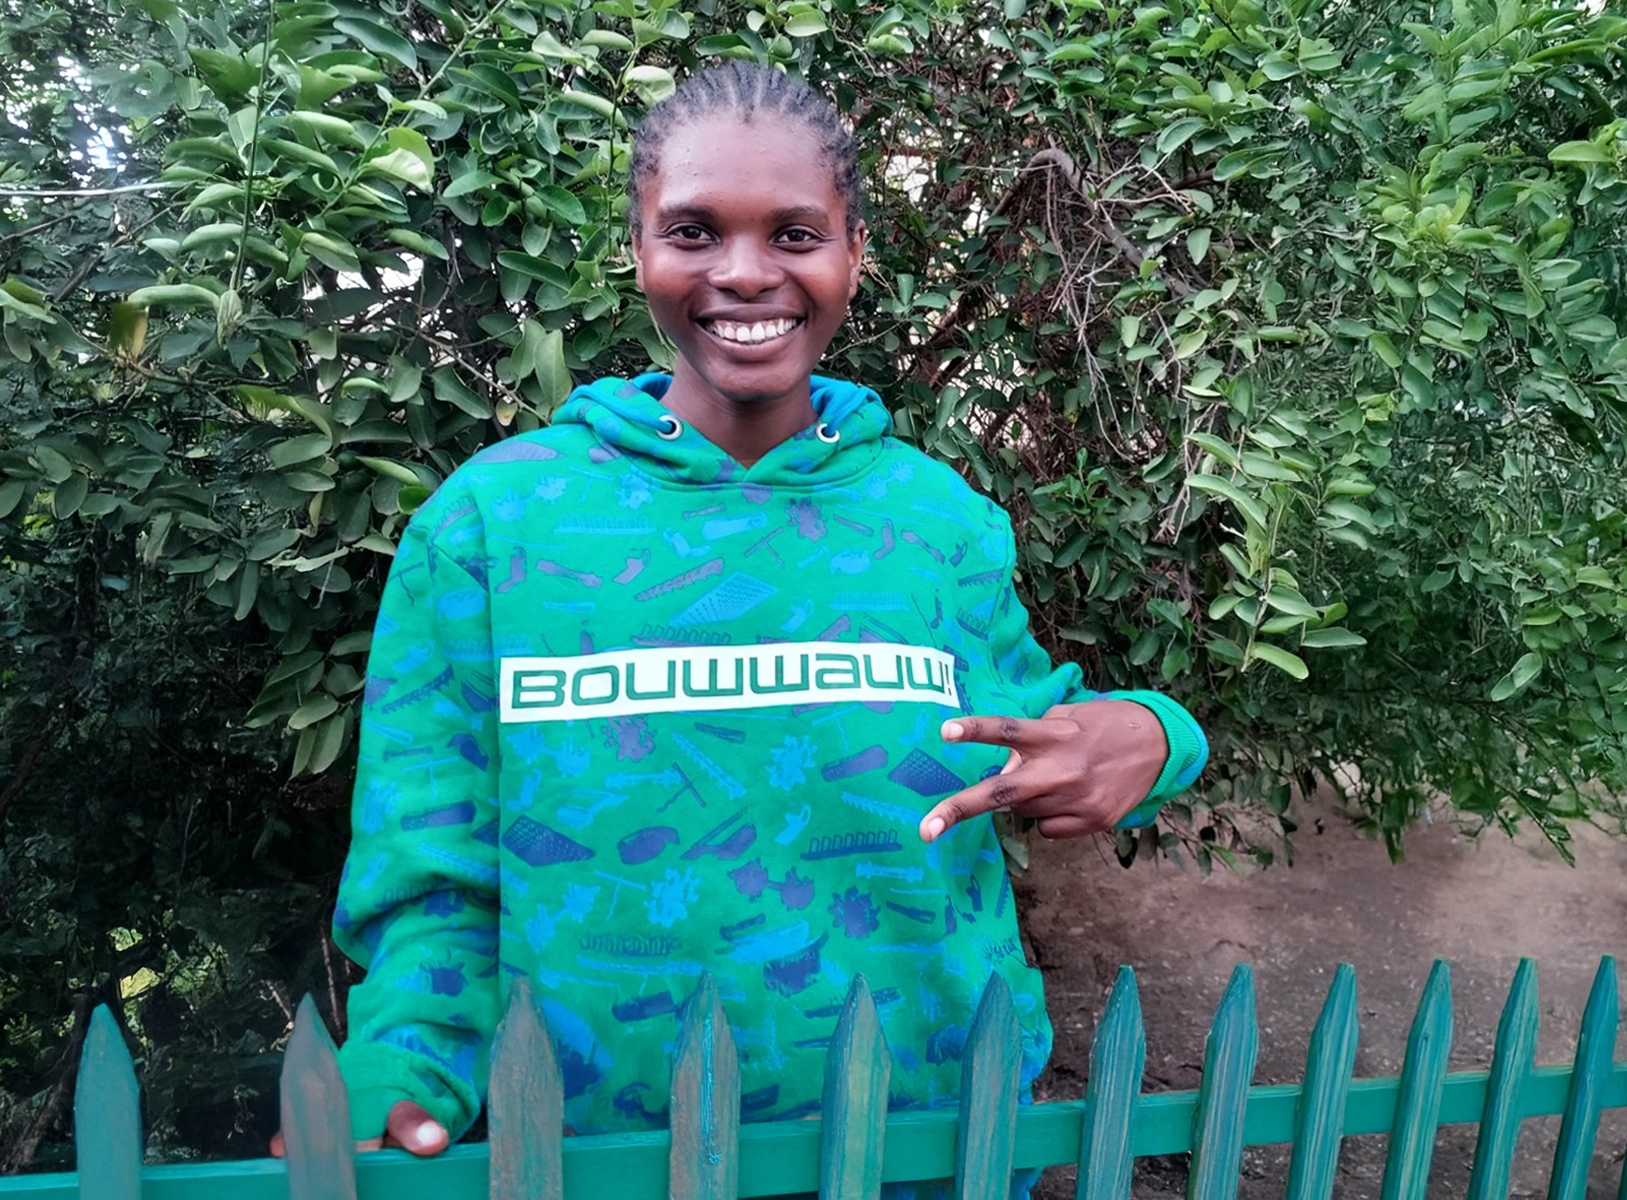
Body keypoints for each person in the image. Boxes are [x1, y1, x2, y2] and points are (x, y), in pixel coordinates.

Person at [296, 61, 1207, 1186]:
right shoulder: (491, 524)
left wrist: (1153, 734)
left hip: (929, 1146)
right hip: (599, 1161)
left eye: (793, 234)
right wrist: (404, 1060)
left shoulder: (937, 521)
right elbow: (432, 866)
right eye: (692, 231)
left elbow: (1039, 739)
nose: (741, 271)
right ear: (638, 249)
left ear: (853, 254)